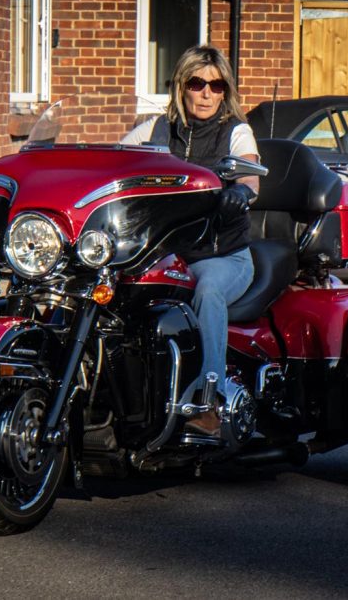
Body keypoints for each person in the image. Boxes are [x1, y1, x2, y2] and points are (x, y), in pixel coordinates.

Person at [121, 45, 260, 438]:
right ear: (182, 86)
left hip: (220, 256)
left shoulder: (235, 130)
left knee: (209, 291)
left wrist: (241, 192)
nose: (206, 94)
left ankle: (208, 401)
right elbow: (114, 159)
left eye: (216, 86)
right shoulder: (155, 129)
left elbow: (250, 174)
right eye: (198, 83)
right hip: (162, 251)